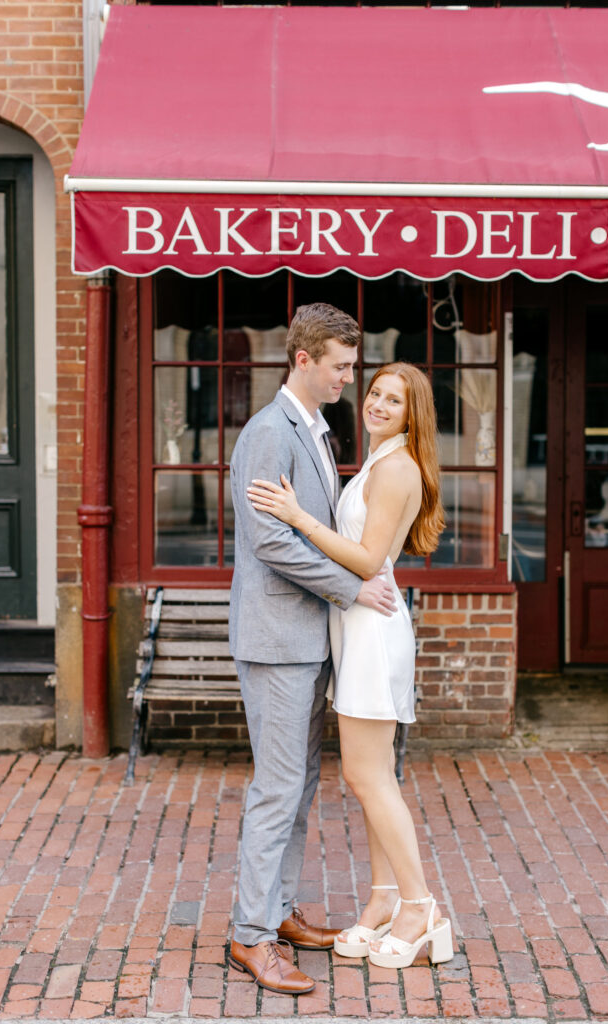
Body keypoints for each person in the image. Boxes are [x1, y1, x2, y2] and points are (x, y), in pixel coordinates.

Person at [247, 362, 454, 970]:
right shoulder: (379, 460)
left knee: (369, 778)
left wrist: (299, 517)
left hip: (372, 630)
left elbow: (367, 561)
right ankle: (383, 900)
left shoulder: (396, 468)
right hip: (356, 627)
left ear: (414, 413)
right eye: (375, 393)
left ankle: (420, 907)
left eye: (395, 399)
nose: (379, 404)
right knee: (371, 779)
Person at [228, 303, 397, 995]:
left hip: (306, 638)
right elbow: (270, 541)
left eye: (350, 367)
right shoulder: (268, 433)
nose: (347, 379)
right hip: (276, 640)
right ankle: (250, 937)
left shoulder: (316, 430)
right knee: (275, 789)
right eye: (339, 367)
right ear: (302, 360)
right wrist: (350, 590)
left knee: (296, 787)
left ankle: (278, 911)